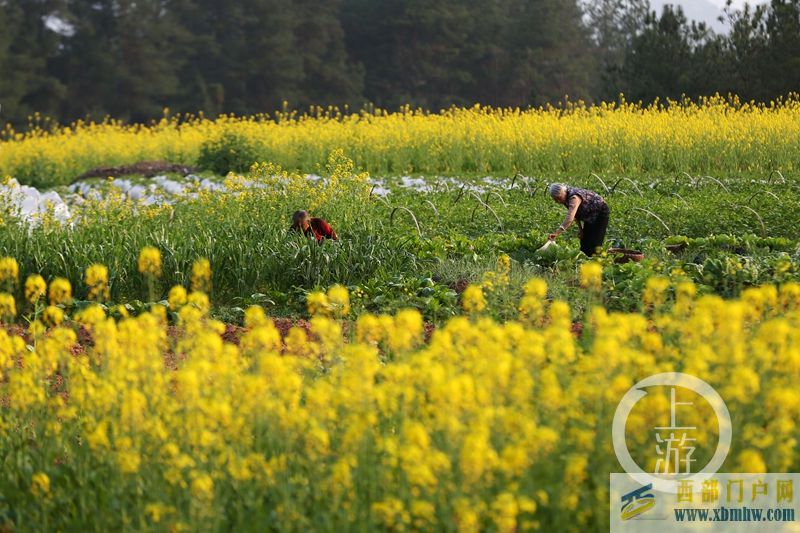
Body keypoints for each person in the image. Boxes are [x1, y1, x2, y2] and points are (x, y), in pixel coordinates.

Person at [547, 184, 610, 256]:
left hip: (600, 212)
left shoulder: (574, 197)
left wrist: (557, 233)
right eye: (555, 199)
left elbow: (570, 217)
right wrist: (581, 229)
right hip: (589, 215)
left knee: (595, 244)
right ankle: (586, 263)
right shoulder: (565, 198)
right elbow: (576, 215)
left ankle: (598, 264)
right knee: (584, 243)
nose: (558, 201)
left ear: (563, 192)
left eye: (559, 197)